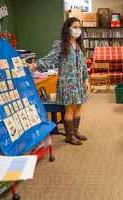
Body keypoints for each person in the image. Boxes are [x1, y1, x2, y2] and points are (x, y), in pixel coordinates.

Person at [30, 17, 89, 145]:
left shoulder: (79, 45)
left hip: (79, 83)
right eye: (75, 27)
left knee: (78, 108)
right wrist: (35, 65)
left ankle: (76, 132)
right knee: (70, 110)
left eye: (79, 27)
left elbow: (84, 65)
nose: (78, 30)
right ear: (68, 29)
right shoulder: (61, 44)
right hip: (67, 83)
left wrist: (86, 79)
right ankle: (69, 136)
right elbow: (49, 59)